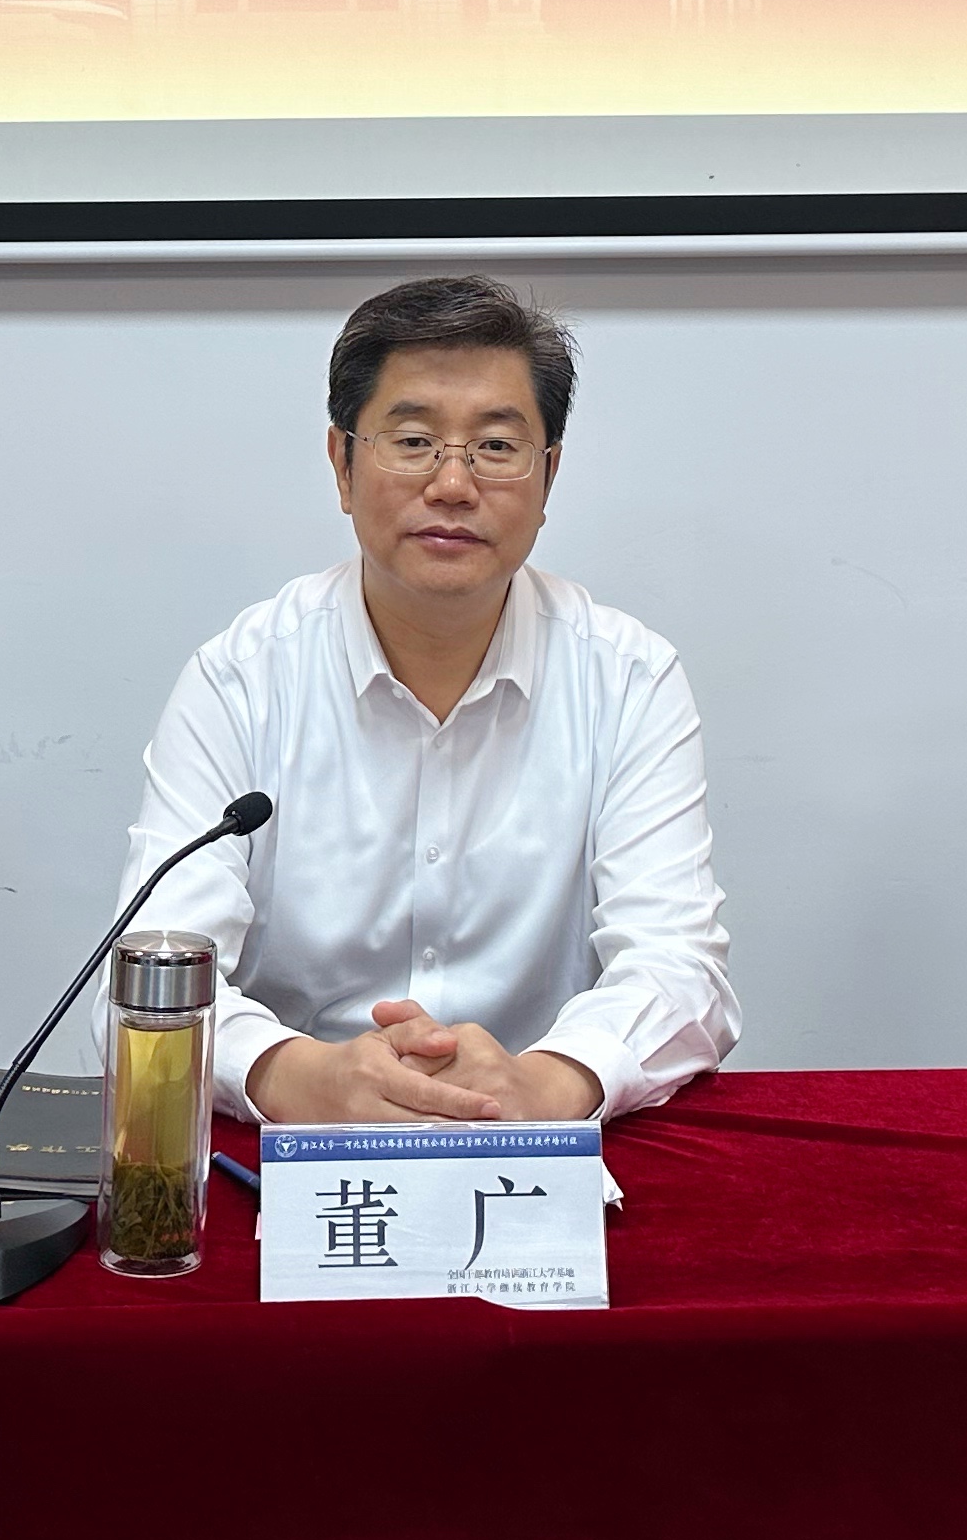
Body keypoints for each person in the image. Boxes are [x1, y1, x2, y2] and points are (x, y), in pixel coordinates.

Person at [122, 276, 736, 1126]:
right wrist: (296, 1074)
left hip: (531, 1147)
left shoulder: (628, 678)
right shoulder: (242, 680)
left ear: (549, 476)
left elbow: (679, 966)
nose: (452, 484)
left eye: (495, 446)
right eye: (412, 441)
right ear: (342, 466)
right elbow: (151, 965)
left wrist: (549, 1082)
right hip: (300, 1148)